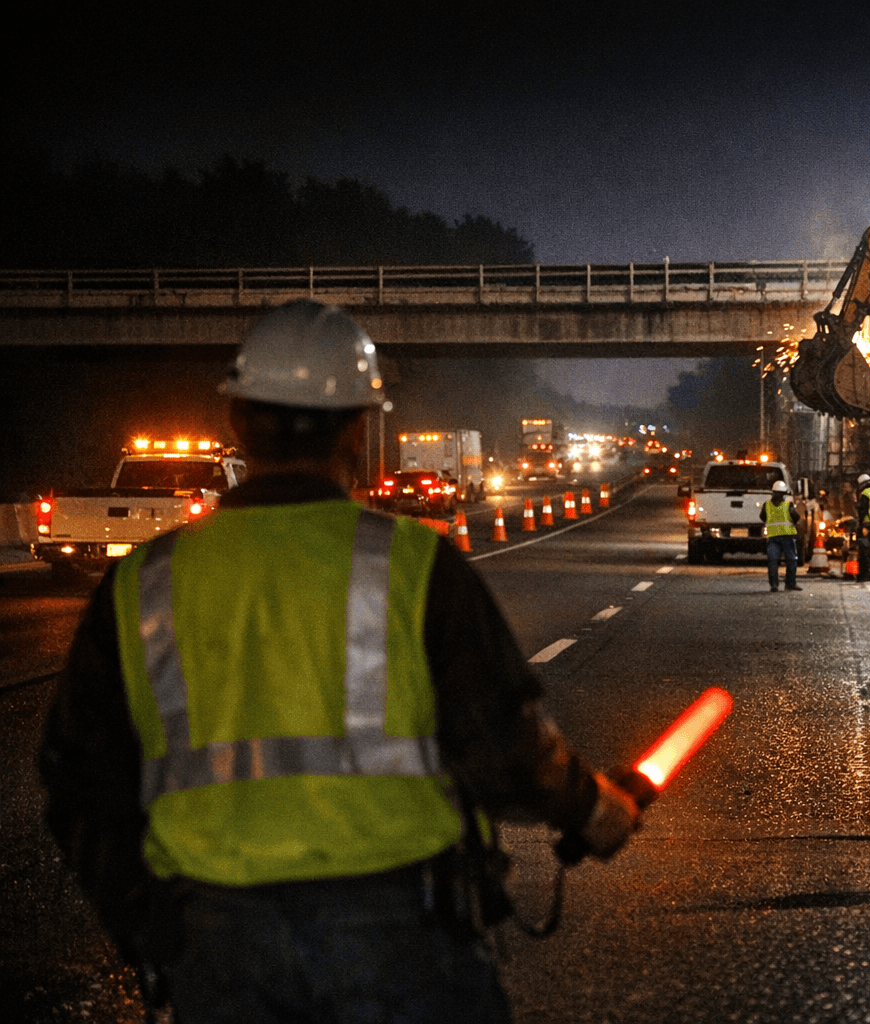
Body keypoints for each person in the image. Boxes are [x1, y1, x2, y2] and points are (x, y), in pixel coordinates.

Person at [38, 300, 640, 1022]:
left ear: (238, 421)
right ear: (359, 425)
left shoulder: (143, 582)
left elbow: (78, 776)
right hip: (401, 928)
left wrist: (143, 921)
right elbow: (502, 748)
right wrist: (595, 809)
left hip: (217, 937)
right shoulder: (417, 565)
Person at [760, 479, 802, 591]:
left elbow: (762, 517)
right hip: (788, 537)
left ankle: (774, 584)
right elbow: (796, 517)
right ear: (784, 494)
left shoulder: (767, 505)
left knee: (773, 560)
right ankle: (790, 584)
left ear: (773, 492)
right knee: (791, 560)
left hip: (773, 537)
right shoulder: (788, 505)